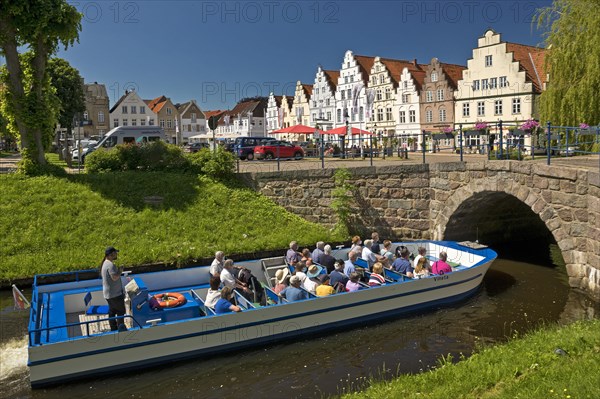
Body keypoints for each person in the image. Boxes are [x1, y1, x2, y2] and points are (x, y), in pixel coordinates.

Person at [101, 246, 126, 331]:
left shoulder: (105, 263)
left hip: (108, 294)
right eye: (115, 253)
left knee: (112, 312)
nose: (116, 255)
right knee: (120, 312)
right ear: (111, 254)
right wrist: (120, 270)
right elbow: (114, 277)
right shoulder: (110, 265)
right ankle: (121, 329)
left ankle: (113, 329)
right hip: (115, 295)